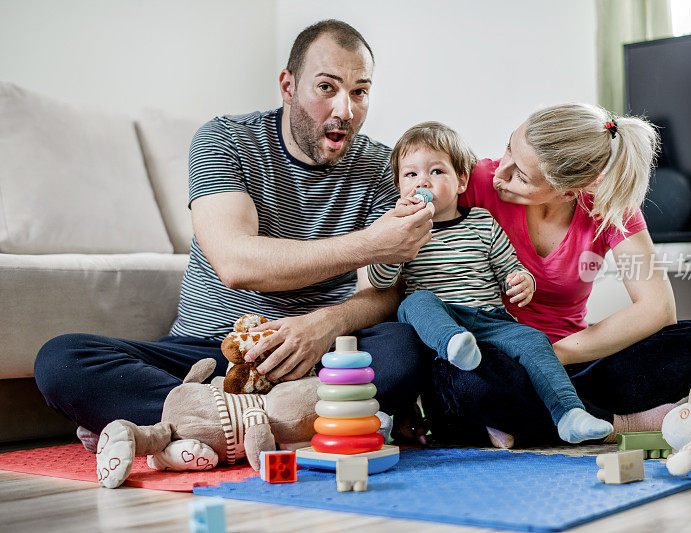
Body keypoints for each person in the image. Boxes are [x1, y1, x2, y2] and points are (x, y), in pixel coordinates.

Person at [33, 20, 433, 449]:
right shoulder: (224, 139)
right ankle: (278, 425)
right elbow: (236, 262)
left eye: (359, 92)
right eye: (326, 88)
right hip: (207, 356)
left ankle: (193, 426)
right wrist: (373, 242)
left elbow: (387, 291)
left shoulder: (382, 167)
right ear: (288, 85)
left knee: (401, 349)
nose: (345, 110)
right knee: (61, 360)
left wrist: (322, 326)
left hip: (314, 356)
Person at [422, 103, 691, 447]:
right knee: (459, 378)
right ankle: (621, 424)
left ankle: (526, 419)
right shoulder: (472, 184)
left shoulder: (608, 203)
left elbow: (657, 309)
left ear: (570, 191)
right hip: (496, 355)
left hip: (571, 359)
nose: (500, 172)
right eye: (508, 148)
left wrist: (549, 357)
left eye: (521, 175)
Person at [367, 122, 613, 445]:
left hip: (488, 318)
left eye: (437, 172)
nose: (422, 182)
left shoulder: (483, 222)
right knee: (415, 302)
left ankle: (570, 414)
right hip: (439, 323)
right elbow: (380, 281)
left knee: (534, 340)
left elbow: (509, 268)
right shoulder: (403, 229)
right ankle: (454, 344)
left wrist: (524, 281)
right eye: (410, 175)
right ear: (399, 185)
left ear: (461, 181)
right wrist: (392, 243)